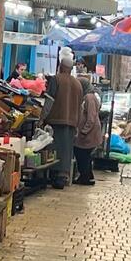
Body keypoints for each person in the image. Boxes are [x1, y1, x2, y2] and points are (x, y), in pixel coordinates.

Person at [45, 48, 83, 189]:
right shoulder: (78, 84)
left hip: (56, 120)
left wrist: (42, 118)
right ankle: (63, 176)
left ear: (61, 66)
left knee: (54, 149)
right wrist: (77, 124)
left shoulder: (56, 79)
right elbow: (80, 106)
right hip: (72, 122)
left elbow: (49, 101)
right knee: (66, 150)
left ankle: (55, 176)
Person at [74, 77, 104, 186]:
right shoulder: (87, 96)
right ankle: (87, 176)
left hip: (89, 133)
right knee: (85, 155)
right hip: (88, 132)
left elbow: (91, 117)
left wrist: (84, 131)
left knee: (81, 153)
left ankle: (85, 177)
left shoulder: (89, 97)